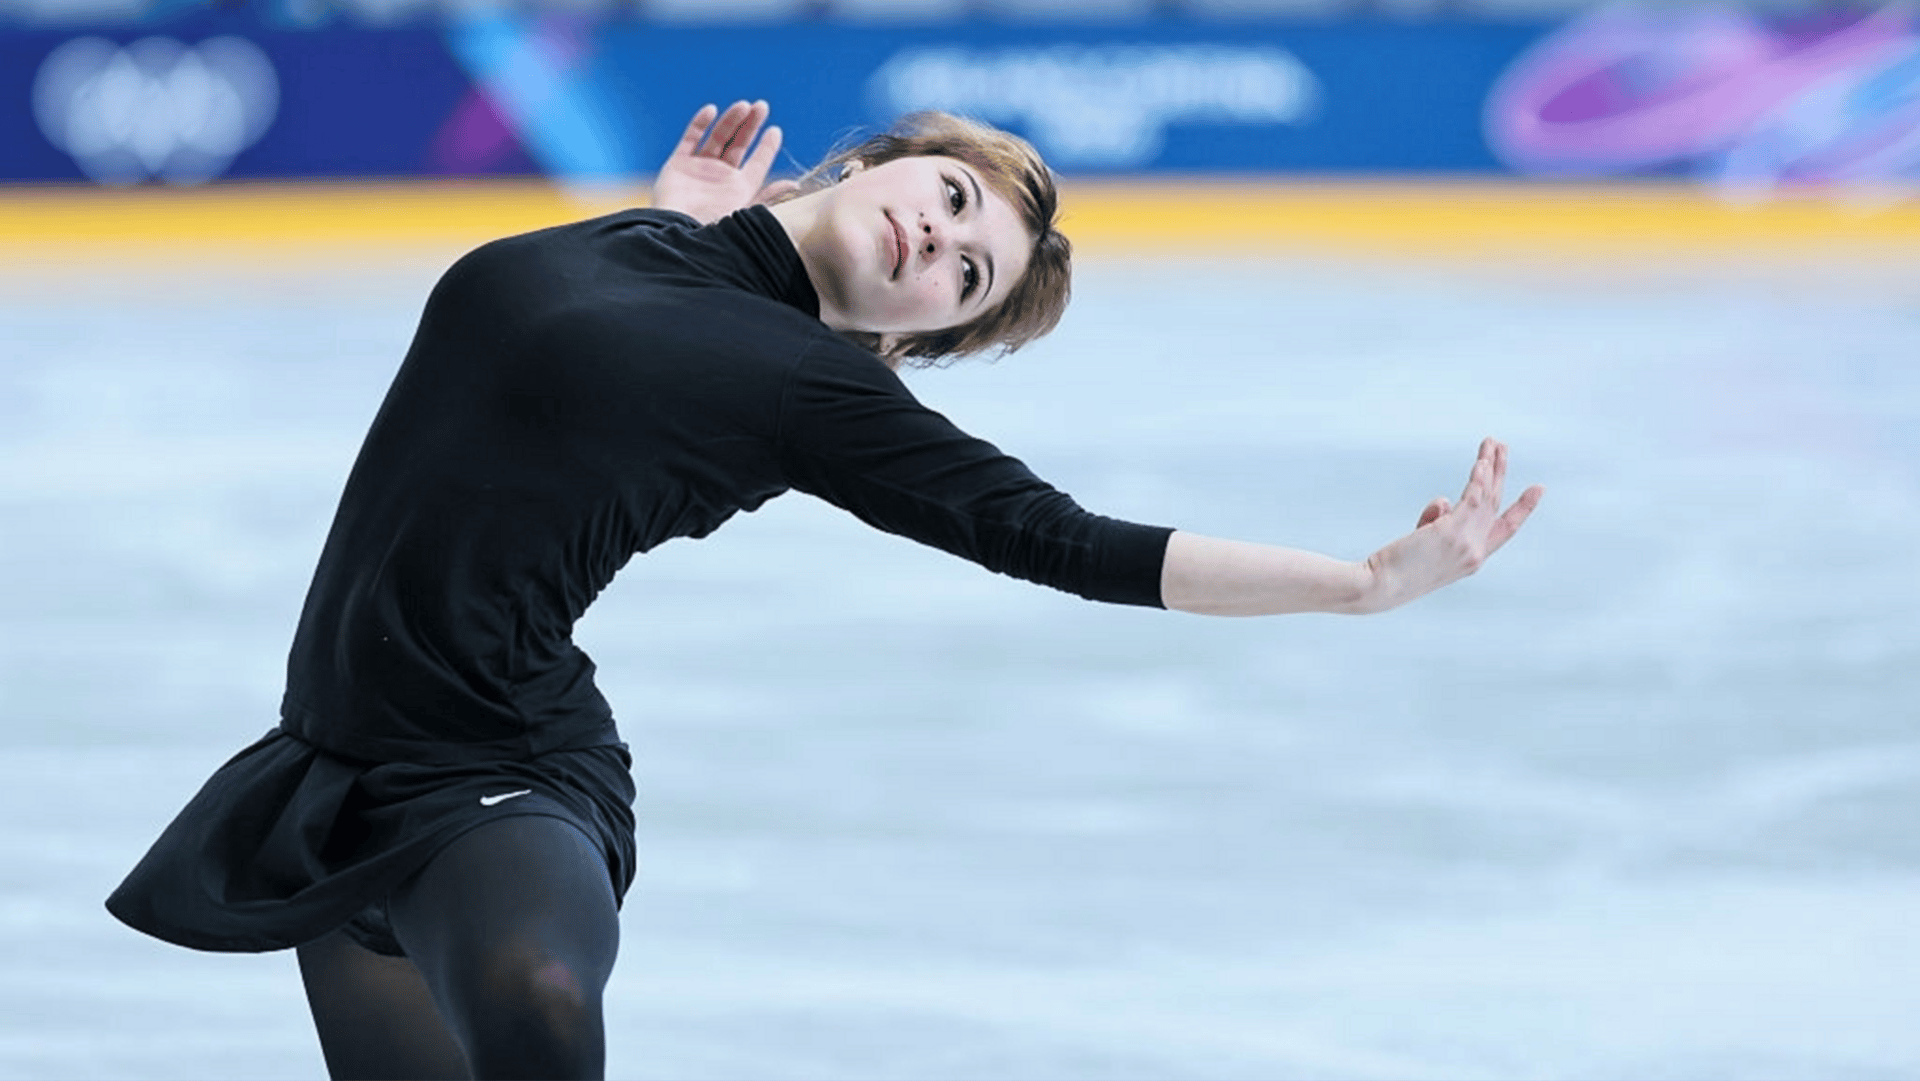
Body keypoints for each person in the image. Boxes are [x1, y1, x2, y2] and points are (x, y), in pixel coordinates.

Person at [107, 100, 1543, 1080]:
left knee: (541, 1006)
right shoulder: (646, 247)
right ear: (883, 164)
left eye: (968, 277)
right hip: (335, 770)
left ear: (923, 335)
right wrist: (684, 225)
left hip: (503, 775)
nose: (944, 241)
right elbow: (573, 364)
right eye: (954, 199)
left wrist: (1361, 583)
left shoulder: (807, 392)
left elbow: (1069, 539)